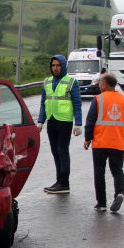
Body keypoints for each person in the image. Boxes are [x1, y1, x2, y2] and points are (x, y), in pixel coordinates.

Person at [83, 72, 124, 213]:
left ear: (104, 84)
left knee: (99, 172)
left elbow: (90, 121)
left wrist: (87, 139)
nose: (99, 85)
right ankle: (120, 192)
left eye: (100, 83)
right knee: (117, 171)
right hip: (117, 144)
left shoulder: (98, 99)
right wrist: (119, 137)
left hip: (100, 144)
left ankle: (101, 203)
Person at [37, 54, 83, 194]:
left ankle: (64, 183)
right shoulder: (47, 82)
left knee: (62, 150)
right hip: (51, 121)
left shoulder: (71, 82)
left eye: (58, 65)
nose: (55, 68)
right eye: (53, 65)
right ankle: (59, 180)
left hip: (64, 121)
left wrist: (78, 123)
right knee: (55, 151)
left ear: (63, 66)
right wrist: (40, 121)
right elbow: (43, 103)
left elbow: (77, 103)